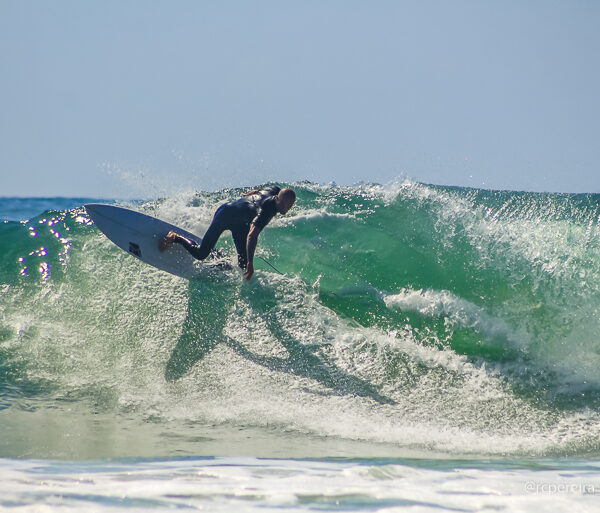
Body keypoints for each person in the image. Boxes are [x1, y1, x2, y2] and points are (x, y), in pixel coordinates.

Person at [159, 186, 295, 280]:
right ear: (277, 199)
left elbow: (262, 190)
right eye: (284, 205)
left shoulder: (276, 191)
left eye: (289, 206)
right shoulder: (266, 211)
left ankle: (217, 258)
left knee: (242, 266)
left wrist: (253, 193)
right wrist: (251, 263)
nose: (286, 209)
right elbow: (252, 235)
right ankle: (175, 237)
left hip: (241, 223)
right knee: (200, 254)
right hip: (225, 215)